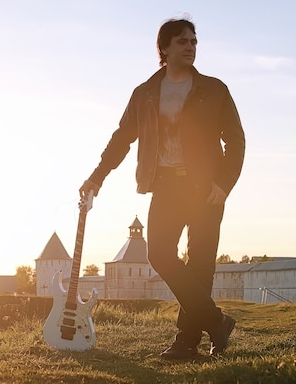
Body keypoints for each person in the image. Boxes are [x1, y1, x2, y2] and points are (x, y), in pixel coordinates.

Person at [79, 18, 245, 359]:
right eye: (183, 41)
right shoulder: (145, 94)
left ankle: (186, 343)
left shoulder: (214, 89)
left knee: (200, 265)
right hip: (166, 187)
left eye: (194, 41)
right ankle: (216, 322)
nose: (191, 46)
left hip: (205, 189)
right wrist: (97, 177)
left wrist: (224, 184)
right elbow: (121, 139)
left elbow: (236, 140)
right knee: (159, 254)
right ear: (164, 48)